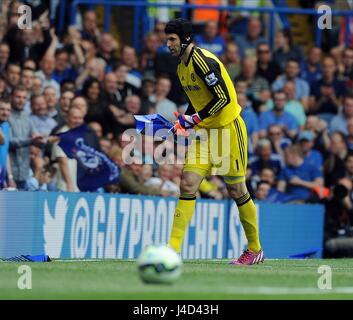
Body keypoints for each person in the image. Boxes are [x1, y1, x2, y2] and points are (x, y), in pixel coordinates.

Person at [165, 18, 264, 265]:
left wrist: (194, 118)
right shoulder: (181, 68)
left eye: (172, 39)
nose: (168, 44)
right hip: (206, 132)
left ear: (185, 39)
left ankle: (255, 250)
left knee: (237, 190)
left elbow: (222, 98)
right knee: (187, 184)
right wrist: (185, 120)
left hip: (229, 129)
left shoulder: (202, 60)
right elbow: (198, 101)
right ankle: (172, 251)